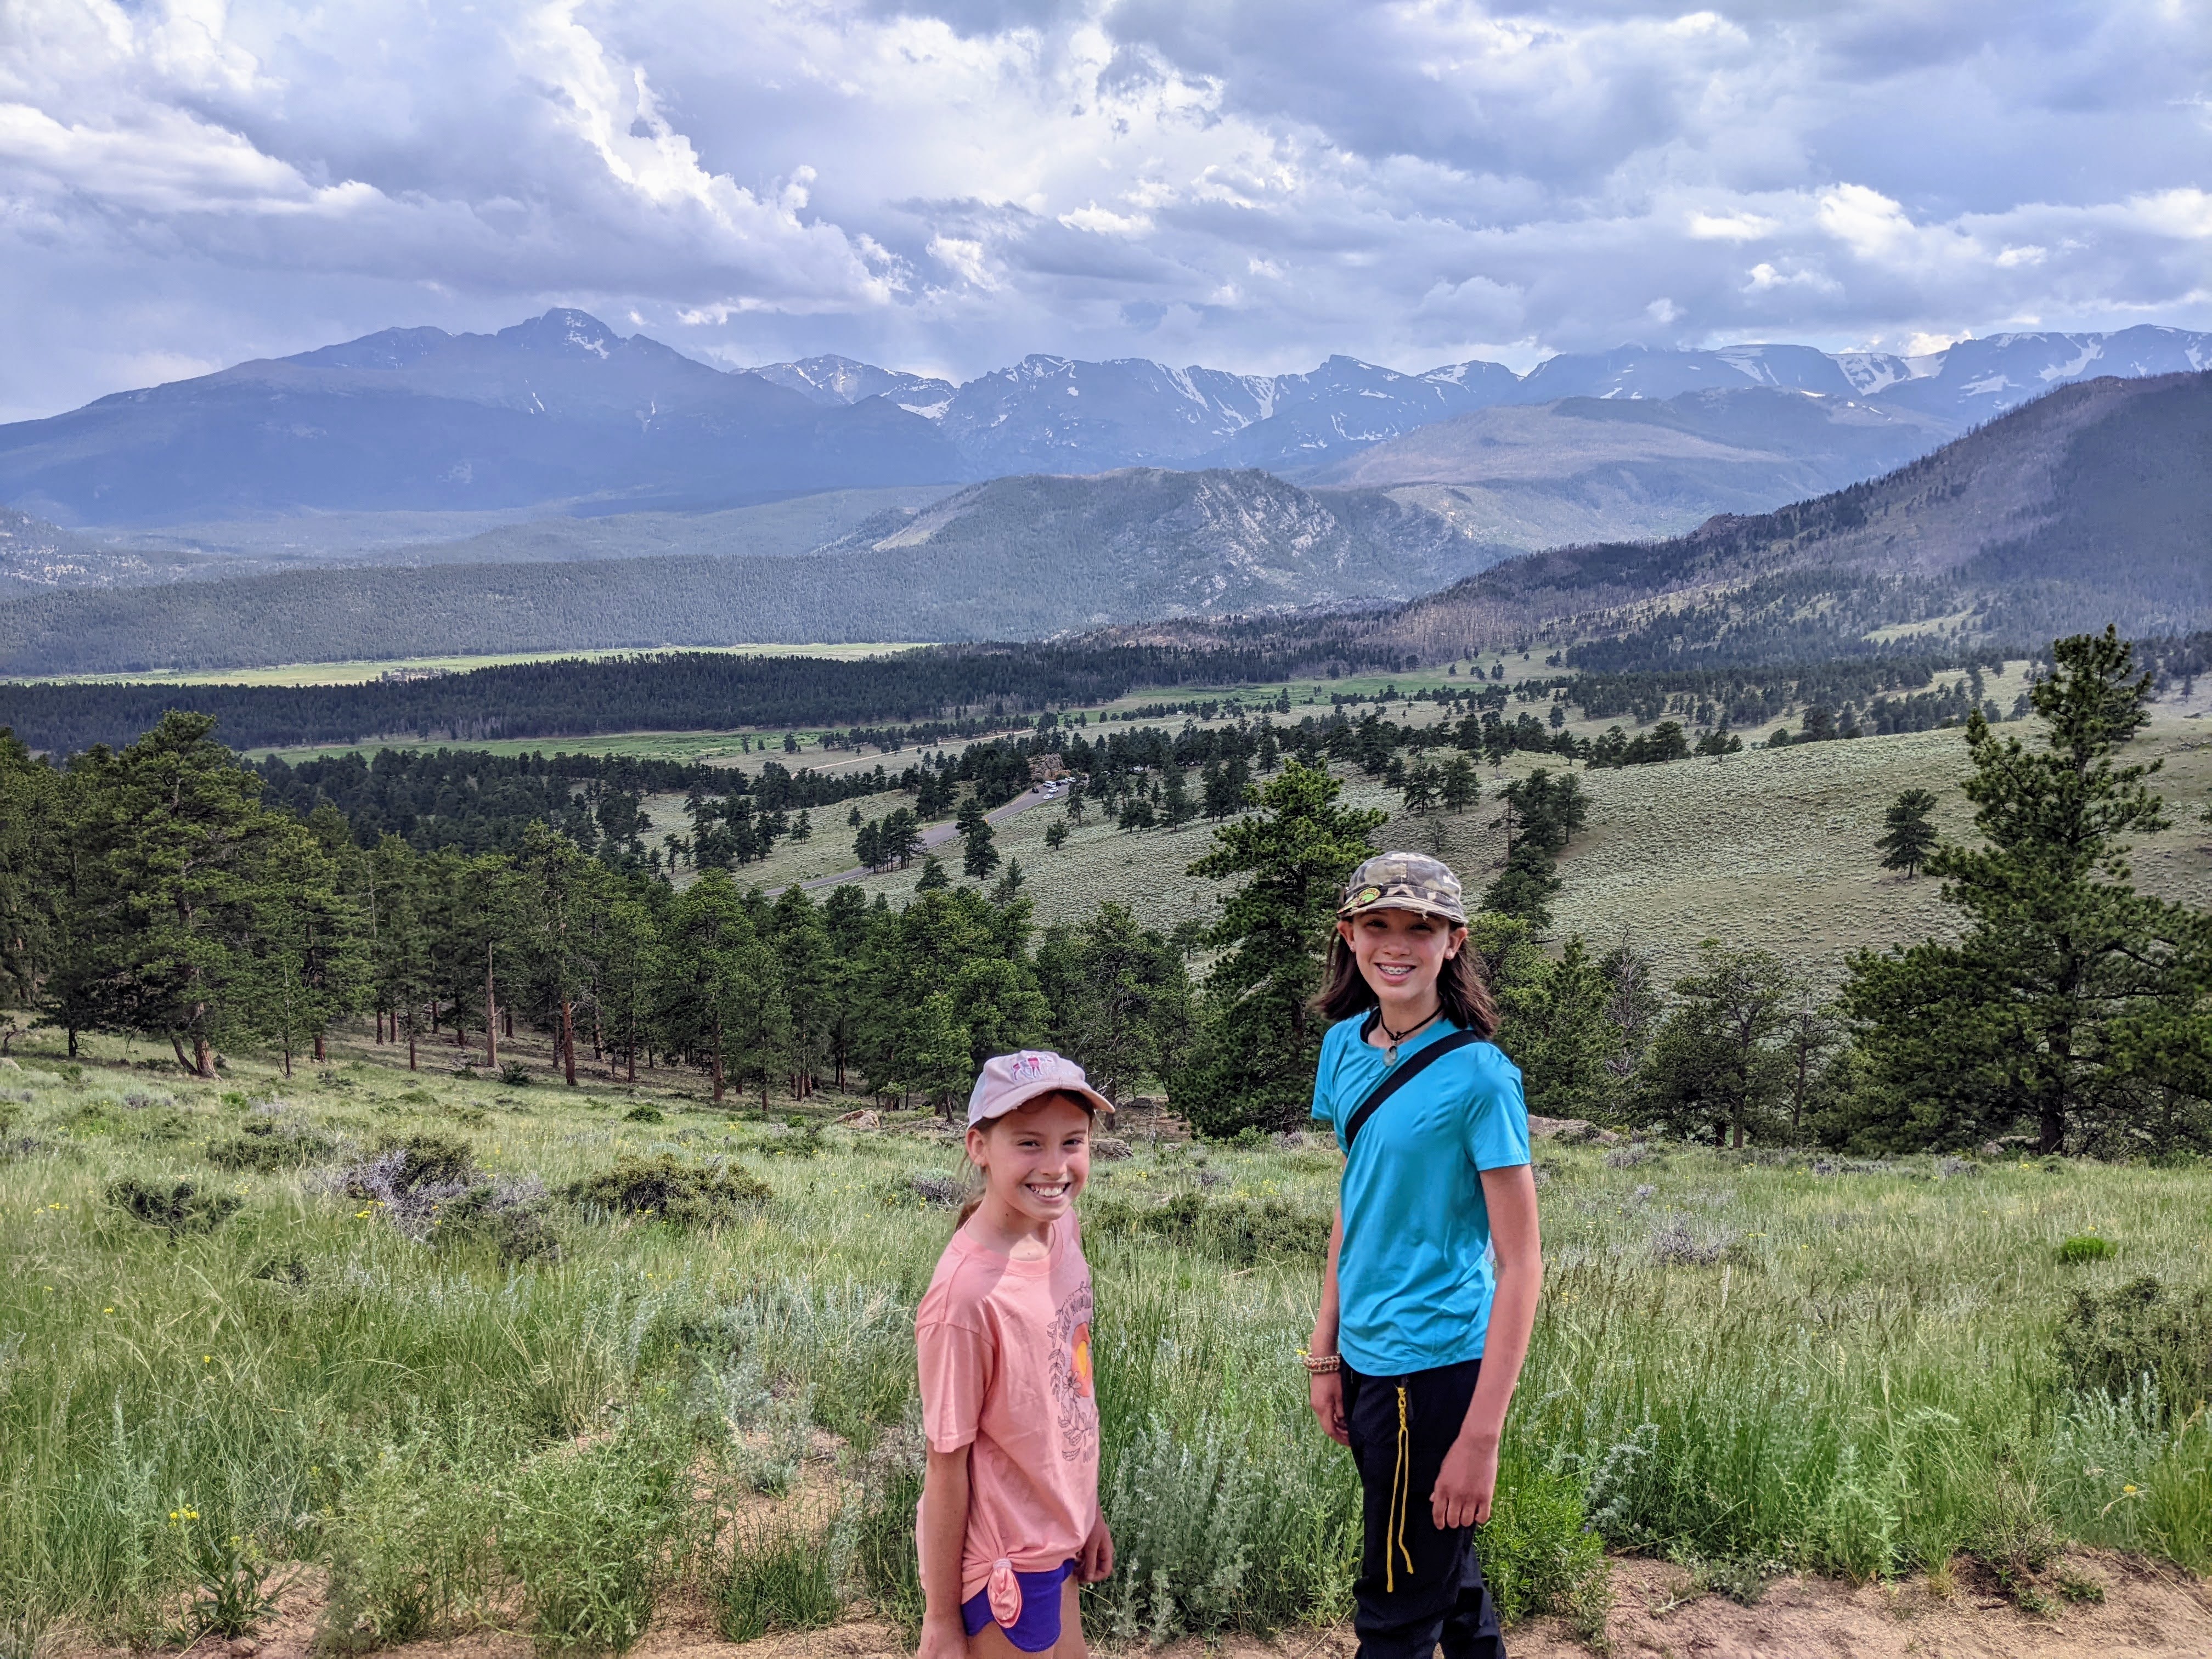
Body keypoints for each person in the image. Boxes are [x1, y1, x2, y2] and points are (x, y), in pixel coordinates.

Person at [1304, 853, 1542, 1659]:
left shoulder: (1482, 1077)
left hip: (1433, 1370)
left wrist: (1481, 1437)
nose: (1396, 945)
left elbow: (1522, 1263)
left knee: (1397, 1603)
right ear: (1349, 935)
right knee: (1448, 1579)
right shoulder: (1344, 1047)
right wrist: (1325, 1348)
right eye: (1378, 925)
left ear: (1453, 942)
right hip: (1368, 1356)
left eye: (1421, 927)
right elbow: (1356, 1198)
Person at [917, 1050, 1119, 1658]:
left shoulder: (1063, 1229)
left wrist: (1088, 1512)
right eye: (1029, 1143)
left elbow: (1071, 1388)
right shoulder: (966, 1299)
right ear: (979, 1146)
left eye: (1072, 1142)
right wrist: (942, 1620)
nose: (1055, 1167)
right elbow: (945, 1465)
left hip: (1057, 1533)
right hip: (1004, 1558)